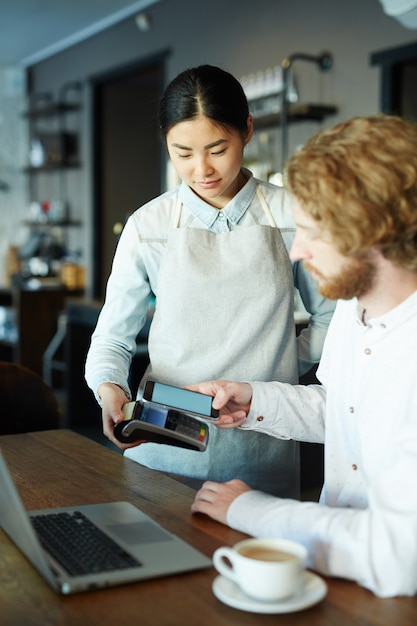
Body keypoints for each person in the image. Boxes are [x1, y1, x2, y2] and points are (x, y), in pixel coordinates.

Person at [190, 114, 417, 598]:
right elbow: (342, 407)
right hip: (333, 575)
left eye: (312, 231)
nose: (297, 251)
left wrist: (251, 510)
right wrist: (254, 400)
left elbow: (398, 557)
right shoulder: (357, 306)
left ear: (371, 231)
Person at [85, 64, 334, 497]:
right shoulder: (149, 224)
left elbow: (331, 317)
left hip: (262, 443)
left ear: (247, 130)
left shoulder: (293, 214)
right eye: (182, 153)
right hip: (162, 440)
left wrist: (277, 362)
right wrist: (110, 390)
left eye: (217, 149)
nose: (202, 169)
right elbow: (113, 339)